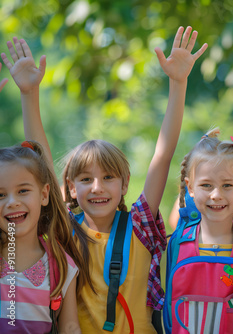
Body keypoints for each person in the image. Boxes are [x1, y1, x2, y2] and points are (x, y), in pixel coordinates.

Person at [2, 27, 207, 333]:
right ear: (70, 187)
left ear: (124, 185)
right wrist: (29, 94)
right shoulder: (67, 230)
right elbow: (40, 161)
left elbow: (162, 156)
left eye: (108, 177)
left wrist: (178, 83)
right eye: (85, 179)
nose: (97, 187)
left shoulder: (139, 224)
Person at [164, 128, 233, 333]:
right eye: (207, 185)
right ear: (190, 188)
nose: (216, 195)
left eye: (227, 185)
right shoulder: (179, 241)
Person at [0, 141, 86, 333]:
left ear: (44, 194)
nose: (12, 202)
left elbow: (70, 327)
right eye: (0, 195)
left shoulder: (62, 265)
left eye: (23, 191)